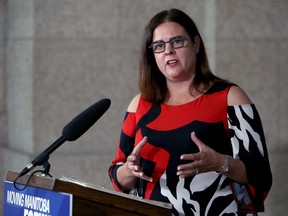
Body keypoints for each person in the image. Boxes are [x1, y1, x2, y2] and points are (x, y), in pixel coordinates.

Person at [108, 8, 272, 216]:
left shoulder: (230, 97)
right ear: (152, 55)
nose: (168, 51)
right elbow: (117, 175)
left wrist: (221, 163)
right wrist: (129, 171)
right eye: (159, 46)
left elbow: (261, 174)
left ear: (196, 44)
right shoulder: (139, 104)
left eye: (177, 42)